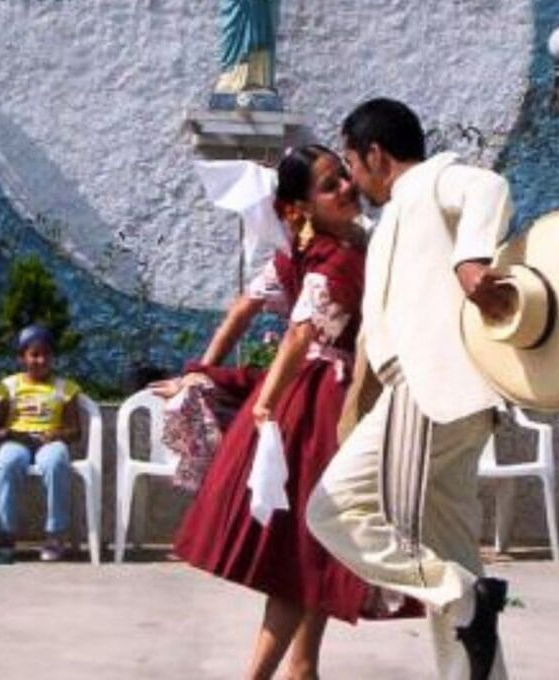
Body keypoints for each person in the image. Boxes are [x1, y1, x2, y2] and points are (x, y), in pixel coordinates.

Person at [173, 145, 417, 680]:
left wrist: (209, 367)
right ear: (299, 207)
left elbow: (248, 309)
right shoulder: (334, 256)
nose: (346, 188)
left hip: (322, 397)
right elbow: (302, 333)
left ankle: (300, 668)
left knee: (310, 550)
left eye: (343, 177)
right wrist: (262, 400)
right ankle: (284, 672)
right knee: (311, 546)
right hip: (323, 405)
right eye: (329, 185)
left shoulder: (312, 251)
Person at [306, 98, 515, 680]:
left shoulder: (430, 182)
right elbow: (379, 331)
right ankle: (471, 620)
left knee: (332, 511)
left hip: (430, 393)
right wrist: (354, 415)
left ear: (375, 153)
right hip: (446, 400)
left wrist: (471, 261)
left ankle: (466, 600)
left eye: (351, 162)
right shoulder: (395, 216)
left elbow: (488, 187)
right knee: (452, 555)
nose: (350, 178)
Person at [0, 325, 82, 562]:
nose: (40, 360)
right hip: (17, 441)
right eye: (34, 355)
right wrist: (4, 432)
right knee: (8, 463)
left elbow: (76, 430)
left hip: (48, 441)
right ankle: (5, 534)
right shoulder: (8, 387)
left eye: (46, 355)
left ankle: (54, 534)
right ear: (22, 358)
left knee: (57, 460)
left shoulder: (66, 388)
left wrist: (57, 435)